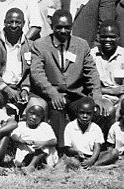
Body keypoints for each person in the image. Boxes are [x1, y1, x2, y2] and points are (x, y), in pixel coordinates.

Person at [29, 10, 107, 145]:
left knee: (95, 109)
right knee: (56, 109)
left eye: (67, 27)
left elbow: (92, 73)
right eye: (59, 27)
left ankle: (91, 148)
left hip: (75, 94)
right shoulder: (40, 45)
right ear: (52, 26)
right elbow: (37, 73)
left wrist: (97, 97)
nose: (63, 31)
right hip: (51, 93)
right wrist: (53, 93)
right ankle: (62, 150)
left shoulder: (81, 45)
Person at [90, 20, 124, 131]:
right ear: (98, 37)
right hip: (99, 96)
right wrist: (111, 91)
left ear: (118, 38)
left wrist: (121, 106)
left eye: (111, 37)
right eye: (104, 37)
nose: (107, 40)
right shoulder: (91, 55)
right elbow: (88, 87)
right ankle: (105, 144)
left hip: (121, 98)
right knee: (108, 110)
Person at [10, 98, 58, 173]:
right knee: (23, 156)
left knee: (43, 149)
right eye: (32, 113)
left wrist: (43, 143)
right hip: (26, 153)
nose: (34, 117)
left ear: (42, 117)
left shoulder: (44, 126)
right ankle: (33, 165)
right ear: (27, 112)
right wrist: (22, 140)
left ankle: (32, 166)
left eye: (38, 115)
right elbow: (14, 135)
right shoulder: (21, 125)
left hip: (41, 154)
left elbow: (54, 140)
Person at [59, 97, 105, 169]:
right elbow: (67, 148)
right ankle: (87, 166)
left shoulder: (95, 128)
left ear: (93, 114)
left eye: (88, 113)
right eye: (82, 113)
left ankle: (92, 165)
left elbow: (97, 147)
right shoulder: (70, 126)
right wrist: (76, 152)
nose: (85, 116)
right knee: (70, 161)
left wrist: (92, 159)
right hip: (77, 157)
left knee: (113, 153)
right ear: (76, 113)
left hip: (91, 156)